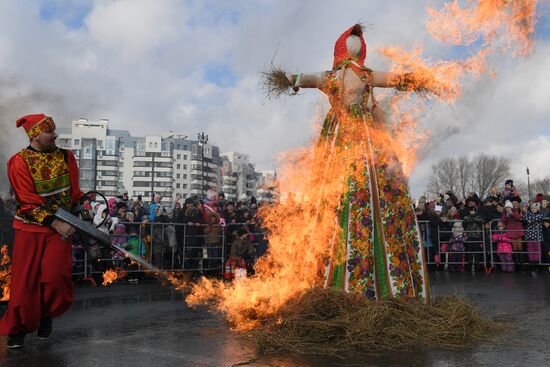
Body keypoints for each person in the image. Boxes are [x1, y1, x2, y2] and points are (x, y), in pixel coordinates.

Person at [275, 24, 431, 299]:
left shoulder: (335, 76)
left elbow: (308, 79)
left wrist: (291, 79)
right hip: (364, 136)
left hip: (341, 134)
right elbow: (394, 79)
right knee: (368, 194)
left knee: (346, 194)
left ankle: (338, 281)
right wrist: (413, 79)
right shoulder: (363, 75)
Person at [0, 114, 84, 348]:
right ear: (35, 136)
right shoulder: (19, 161)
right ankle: (17, 329)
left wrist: (81, 214)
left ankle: (45, 315)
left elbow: (75, 193)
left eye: (54, 130)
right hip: (30, 227)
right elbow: (27, 202)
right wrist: (56, 223)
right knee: (24, 283)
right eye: (50, 132)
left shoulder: (67, 157)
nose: (55, 135)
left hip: (61, 228)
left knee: (56, 277)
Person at [502, 198, 525, 271]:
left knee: (520, 247)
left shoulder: (515, 211)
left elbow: (519, 218)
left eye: (509, 207)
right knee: (514, 248)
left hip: (518, 231)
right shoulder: (505, 212)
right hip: (511, 232)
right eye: (507, 207)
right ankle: (517, 263)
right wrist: (506, 213)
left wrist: (512, 213)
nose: (508, 208)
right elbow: (503, 220)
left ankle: (522, 263)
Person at [522, 203, 544, 269]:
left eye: (534, 208)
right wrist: (528, 217)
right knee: (530, 248)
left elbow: (537, 218)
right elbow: (523, 217)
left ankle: (537, 261)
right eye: (531, 208)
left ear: (537, 209)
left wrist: (529, 219)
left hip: (537, 235)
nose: (533, 209)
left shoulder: (540, 214)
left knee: (537, 248)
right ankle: (531, 261)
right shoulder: (528, 213)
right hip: (529, 235)